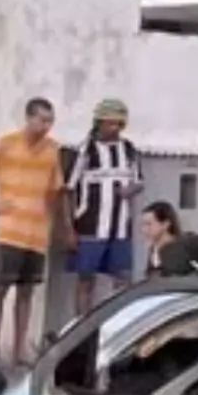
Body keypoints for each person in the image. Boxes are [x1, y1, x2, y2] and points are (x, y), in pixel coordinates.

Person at [0, 98, 63, 366]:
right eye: (42, 119)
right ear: (28, 118)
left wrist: (54, 222)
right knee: (0, 288)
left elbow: (55, 190)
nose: (46, 126)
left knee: (26, 292)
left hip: (37, 233)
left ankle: (19, 349)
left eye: (50, 121)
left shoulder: (53, 150)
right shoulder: (5, 144)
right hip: (10, 231)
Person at [66, 98, 142, 316]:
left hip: (120, 228)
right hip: (90, 226)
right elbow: (68, 189)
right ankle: (80, 328)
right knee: (85, 279)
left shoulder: (128, 149)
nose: (115, 128)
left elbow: (139, 181)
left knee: (123, 278)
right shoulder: (85, 150)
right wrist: (69, 227)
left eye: (120, 124)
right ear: (99, 122)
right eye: (111, 123)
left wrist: (131, 190)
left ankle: (118, 324)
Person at [140, 201, 181, 278]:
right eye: (143, 224)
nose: (144, 229)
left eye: (149, 224)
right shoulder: (153, 249)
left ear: (165, 224)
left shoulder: (180, 249)